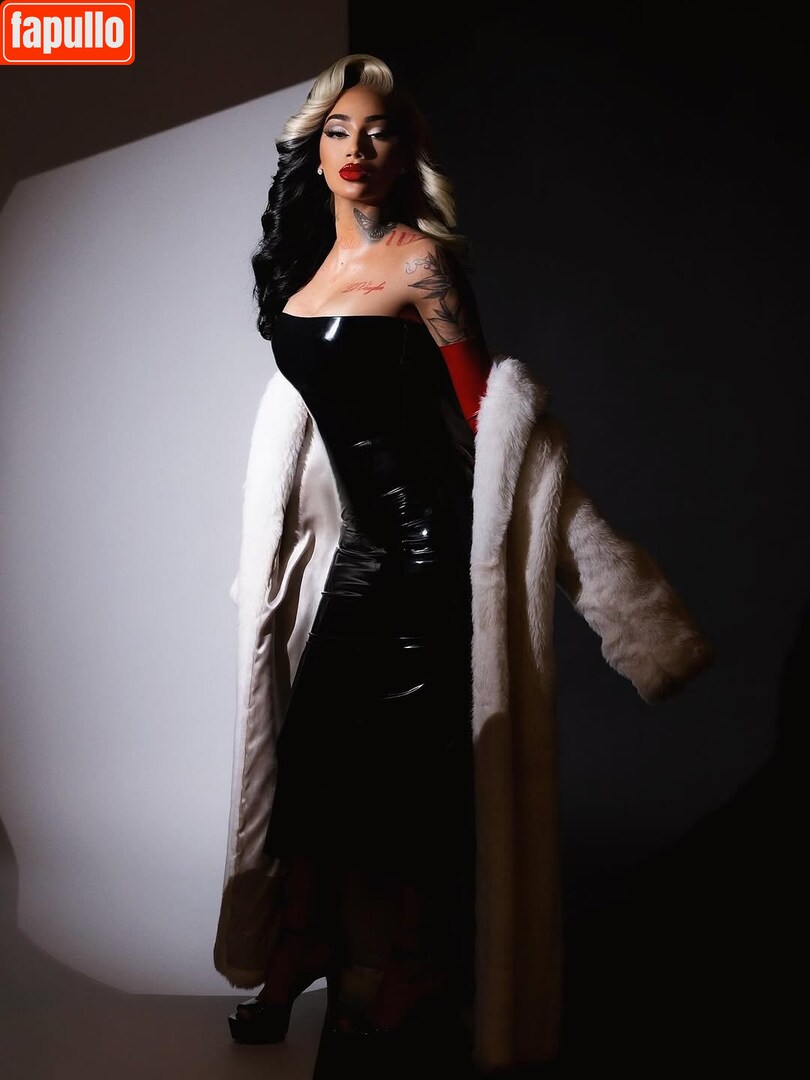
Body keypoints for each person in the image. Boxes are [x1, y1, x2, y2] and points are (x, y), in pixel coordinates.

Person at [213, 53, 715, 1078]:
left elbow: (487, 416)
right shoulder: (305, 271)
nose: (357, 149)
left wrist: (572, 551)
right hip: (362, 551)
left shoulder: (426, 265)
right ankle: (302, 943)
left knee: (404, 780)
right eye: (339, 131)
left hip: (428, 548)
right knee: (310, 761)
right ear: (316, 148)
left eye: (380, 132)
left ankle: (409, 968)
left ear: (409, 155)